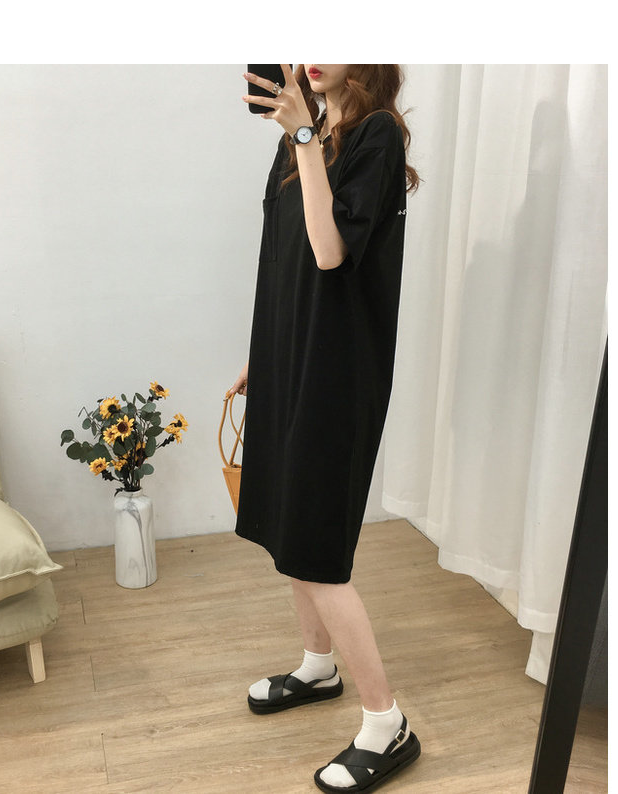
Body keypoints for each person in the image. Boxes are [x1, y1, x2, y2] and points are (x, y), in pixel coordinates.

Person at [225, 64, 421, 792]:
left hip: (339, 366)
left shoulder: (376, 136)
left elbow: (330, 252)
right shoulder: (300, 138)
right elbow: (282, 258)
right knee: (288, 529)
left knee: (315, 546)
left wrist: (305, 137)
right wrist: (263, 351)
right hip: (291, 352)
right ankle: (317, 667)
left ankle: (387, 724)